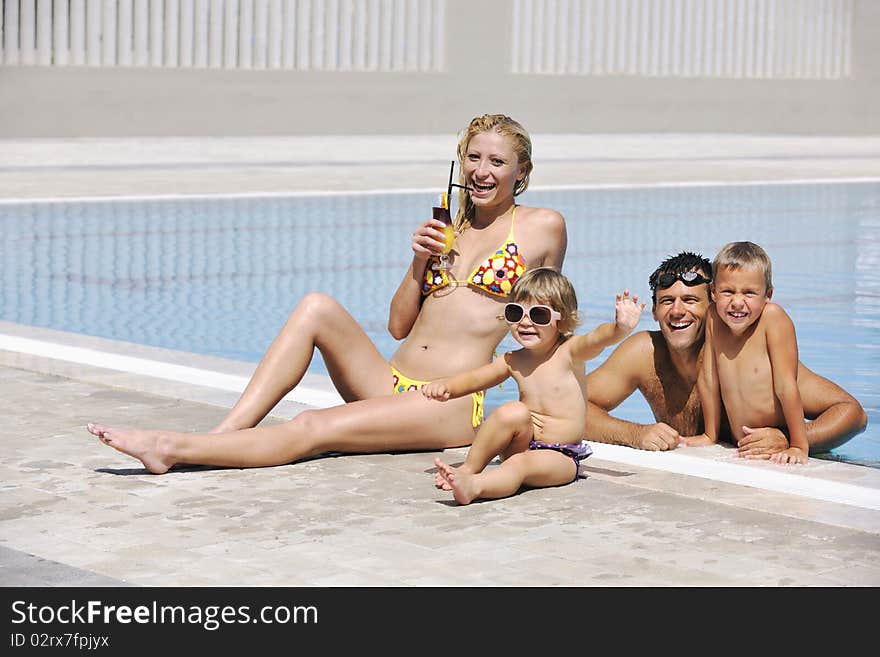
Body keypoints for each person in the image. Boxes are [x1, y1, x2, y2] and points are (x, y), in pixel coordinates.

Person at [86, 113, 568, 473]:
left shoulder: (541, 226)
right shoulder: (449, 226)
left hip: (449, 401)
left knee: (315, 426)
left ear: (521, 171)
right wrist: (419, 261)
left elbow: (550, 332)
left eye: (497, 162)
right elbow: (399, 325)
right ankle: (226, 434)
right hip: (391, 378)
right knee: (316, 306)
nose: (482, 171)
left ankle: (171, 449)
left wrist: (551, 419)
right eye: (474, 157)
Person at [585, 251, 867, 457]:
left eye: (691, 300)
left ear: (713, 305)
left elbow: (852, 414)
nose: (677, 311)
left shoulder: (747, 353)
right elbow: (569, 408)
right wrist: (635, 434)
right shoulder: (644, 354)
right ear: (656, 312)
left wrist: (790, 438)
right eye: (667, 301)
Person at [427, 267, 645, 504]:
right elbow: (478, 379)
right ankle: (469, 469)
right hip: (522, 444)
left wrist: (619, 328)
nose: (525, 322)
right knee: (511, 411)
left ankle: (475, 487)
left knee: (519, 465)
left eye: (539, 315)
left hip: (558, 456)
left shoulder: (570, 352)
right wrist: (447, 387)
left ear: (562, 320)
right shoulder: (515, 360)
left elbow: (597, 339)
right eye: (516, 312)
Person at [682, 242, 808, 464]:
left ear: (767, 294)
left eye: (749, 293)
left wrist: (797, 445)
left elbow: (786, 385)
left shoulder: (773, 319)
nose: (737, 302)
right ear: (713, 292)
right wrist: (710, 434)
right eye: (728, 292)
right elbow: (709, 378)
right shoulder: (713, 317)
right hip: (742, 446)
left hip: (774, 439)